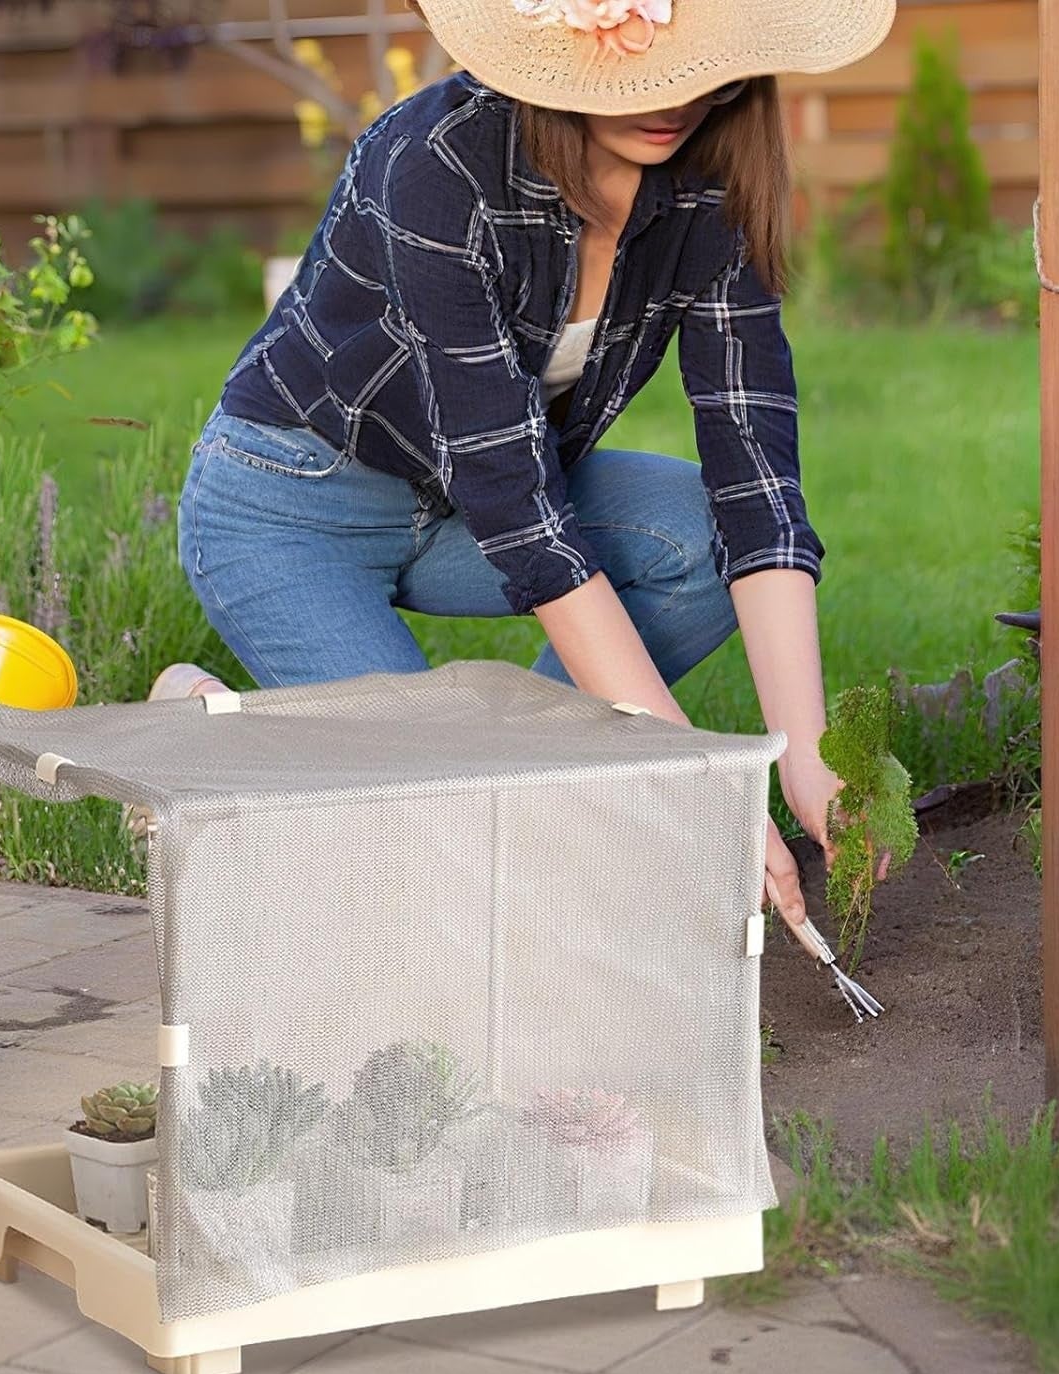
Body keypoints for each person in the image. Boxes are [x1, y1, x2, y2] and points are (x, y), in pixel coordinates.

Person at [155, 0, 897, 926]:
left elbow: (755, 474)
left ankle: (525, 779)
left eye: (703, 71)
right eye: (641, 75)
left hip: (474, 510)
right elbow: (520, 514)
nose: (675, 101)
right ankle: (214, 727)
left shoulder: (710, 179)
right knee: (440, 841)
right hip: (293, 509)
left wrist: (809, 757)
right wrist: (701, 780)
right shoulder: (436, 162)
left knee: (698, 545)